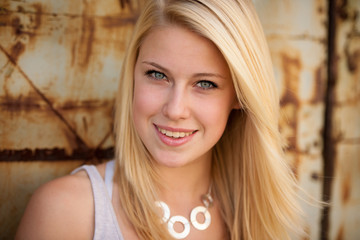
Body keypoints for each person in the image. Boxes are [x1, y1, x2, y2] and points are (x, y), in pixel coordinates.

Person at [16, 0, 305, 239]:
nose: (175, 109)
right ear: (133, 74)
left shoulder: (259, 214)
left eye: (205, 83)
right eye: (157, 75)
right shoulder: (67, 212)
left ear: (240, 97)